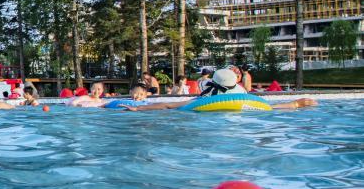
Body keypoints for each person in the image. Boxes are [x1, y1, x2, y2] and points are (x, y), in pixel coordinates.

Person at [123, 68, 316, 111]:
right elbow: (274, 107)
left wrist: (138, 109)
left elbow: (166, 105)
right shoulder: (244, 99)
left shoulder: (199, 101)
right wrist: (298, 103)